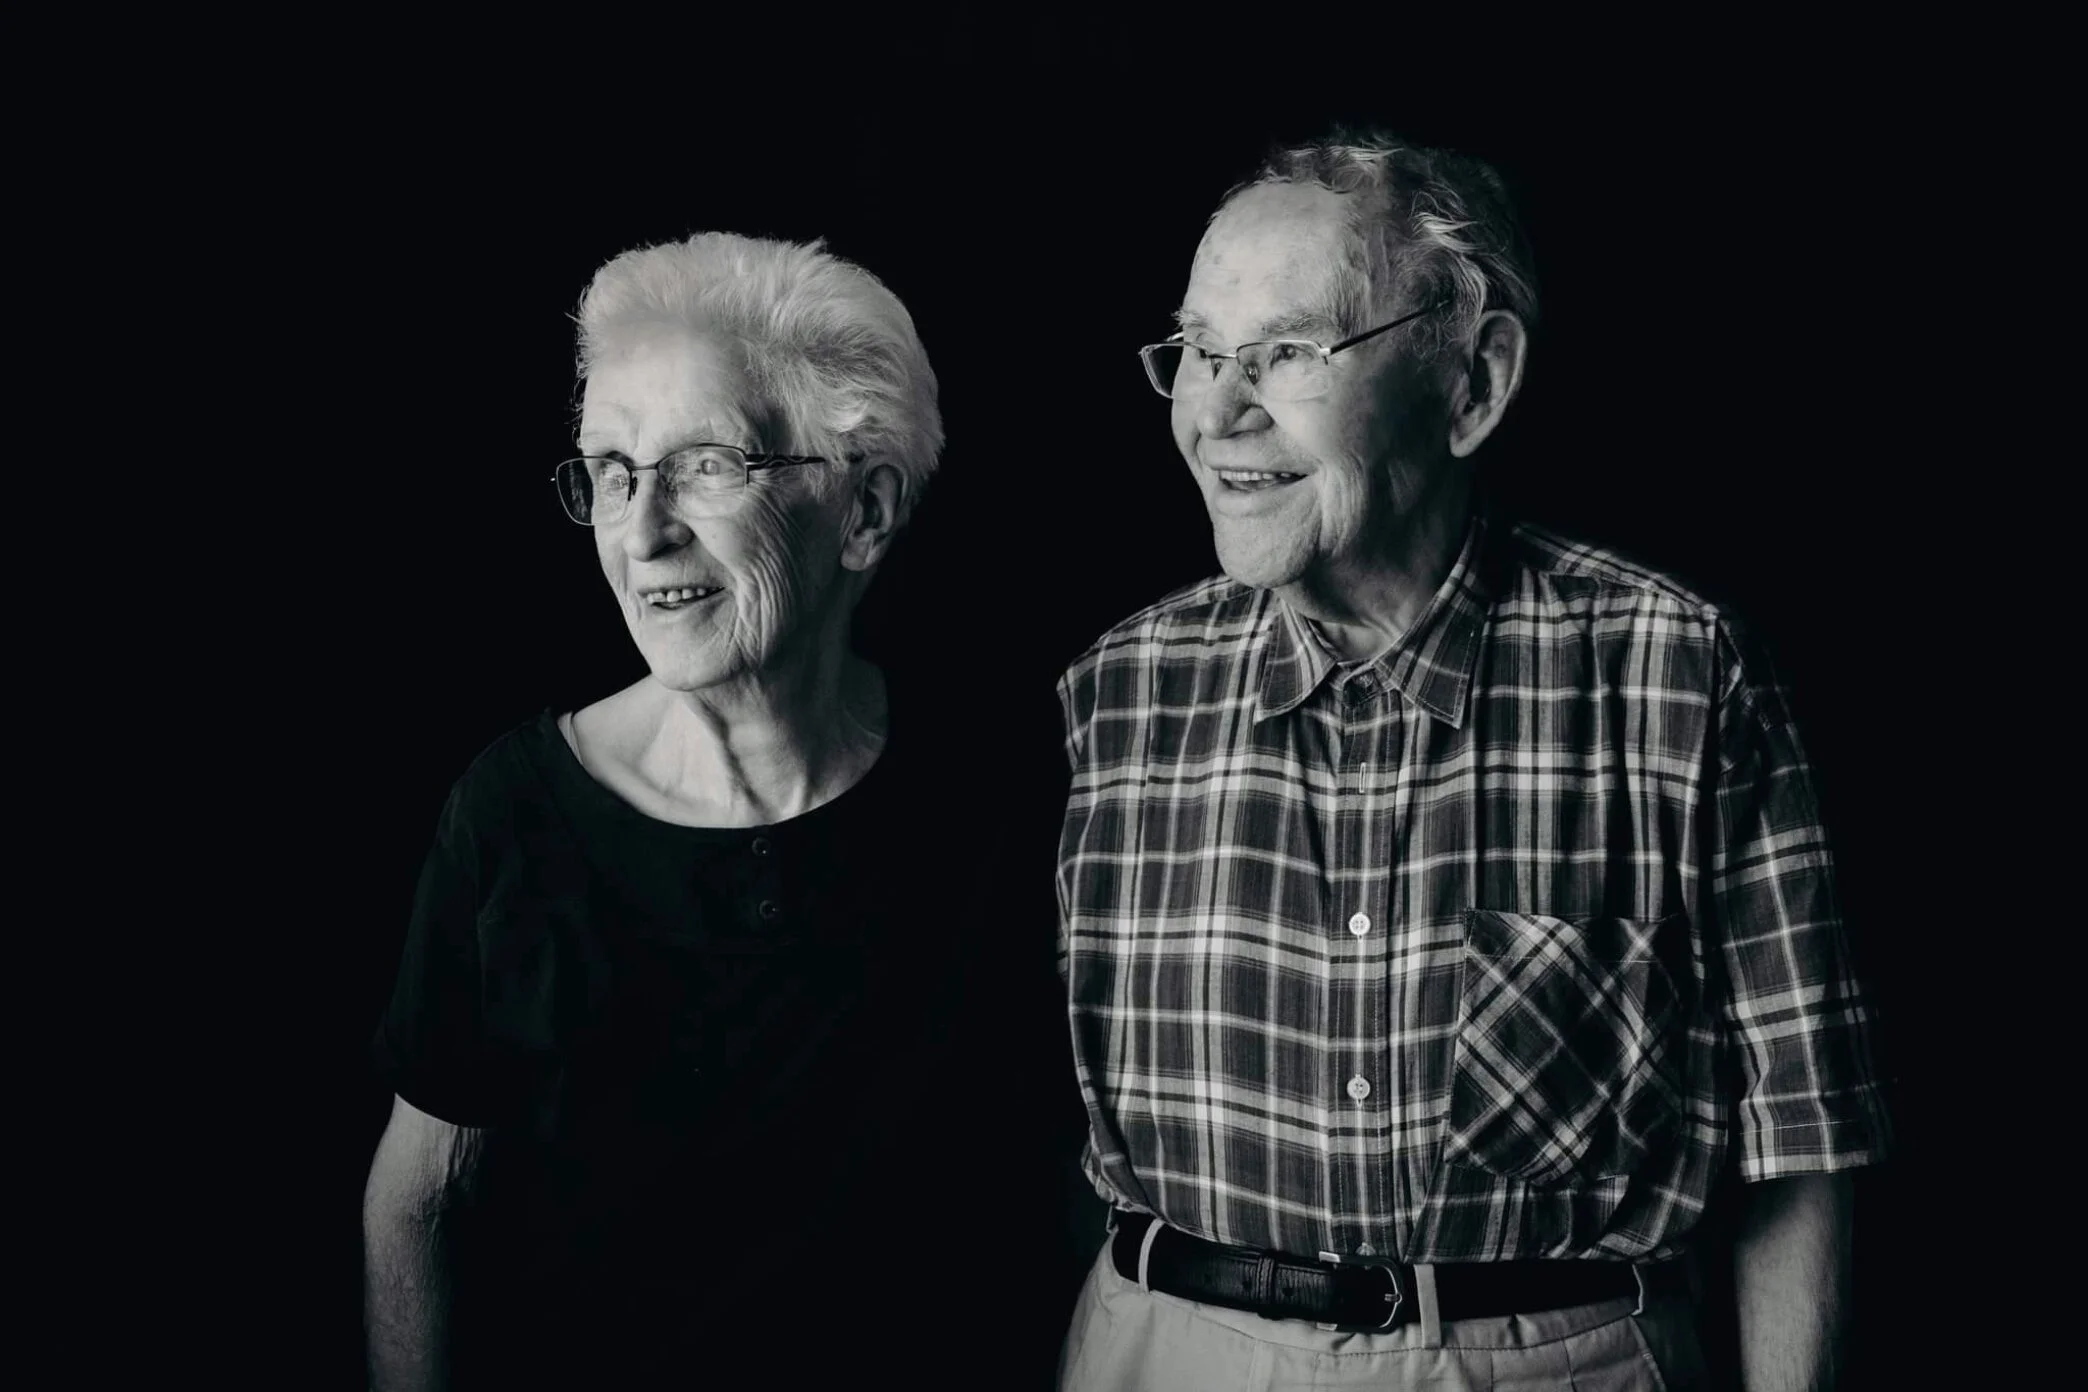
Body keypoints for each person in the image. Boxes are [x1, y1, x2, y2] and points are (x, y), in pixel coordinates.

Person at [1052, 131, 1892, 1391]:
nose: (1216, 413)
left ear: (1475, 383)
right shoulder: (1113, 695)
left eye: (1288, 352)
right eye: (1199, 351)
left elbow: (1801, 1147)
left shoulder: (1683, 672)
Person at [361, 232, 1063, 1389]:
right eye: (614, 471)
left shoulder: (996, 795)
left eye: (705, 466)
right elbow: (419, 1206)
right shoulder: (513, 818)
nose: (643, 533)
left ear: (866, 511)